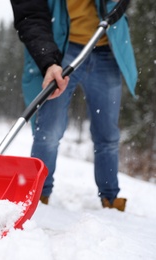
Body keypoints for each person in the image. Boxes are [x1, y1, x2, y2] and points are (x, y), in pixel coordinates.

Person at [9, 0, 137, 211]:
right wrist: (48, 61)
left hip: (106, 47)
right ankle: (39, 196)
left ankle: (110, 197)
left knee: (107, 134)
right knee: (49, 130)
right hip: (62, 49)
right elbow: (30, 16)